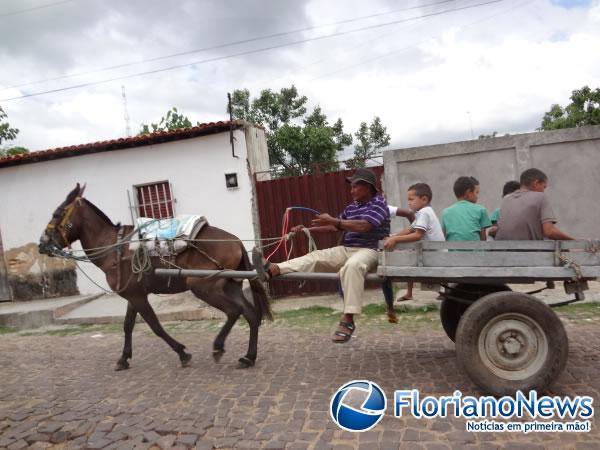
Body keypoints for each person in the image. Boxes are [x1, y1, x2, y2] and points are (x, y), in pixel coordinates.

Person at [253, 168, 390, 343]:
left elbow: (364, 226)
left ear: (368, 187)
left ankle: (348, 319)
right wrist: (306, 230)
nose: (352, 190)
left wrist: (334, 220)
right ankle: (273, 269)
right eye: (352, 186)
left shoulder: (379, 203)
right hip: (346, 248)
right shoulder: (352, 207)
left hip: (370, 250)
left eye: (356, 186)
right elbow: (335, 227)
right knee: (315, 256)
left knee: (353, 266)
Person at [383, 183, 445, 300]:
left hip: (434, 255)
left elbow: (417, 235)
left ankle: (410, 293)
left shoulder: (424, 213)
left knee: (407, 257)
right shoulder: (424, 212)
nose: (409, 202)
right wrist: (393, 236)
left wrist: (395, 239)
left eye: (411, 199)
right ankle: (409, 293)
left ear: (424, 199)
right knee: (410, 254)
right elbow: (410, 229)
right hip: (432, 252)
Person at [495, 168, 574, 241]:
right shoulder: (540, 197)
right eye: (544, 187)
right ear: (536, 183)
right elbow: (549, 232)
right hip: (530, 253)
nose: (543, 190)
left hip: (502, 251)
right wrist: (574, 241)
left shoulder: (506, 199)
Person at [441, 176, 491, 242]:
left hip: (453, 251)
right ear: (468, 193)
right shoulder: (480, 210)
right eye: (476, 192)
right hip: (475, 251)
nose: (477, 197)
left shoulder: (445, 212)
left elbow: (443, 236)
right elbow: (483, 239)